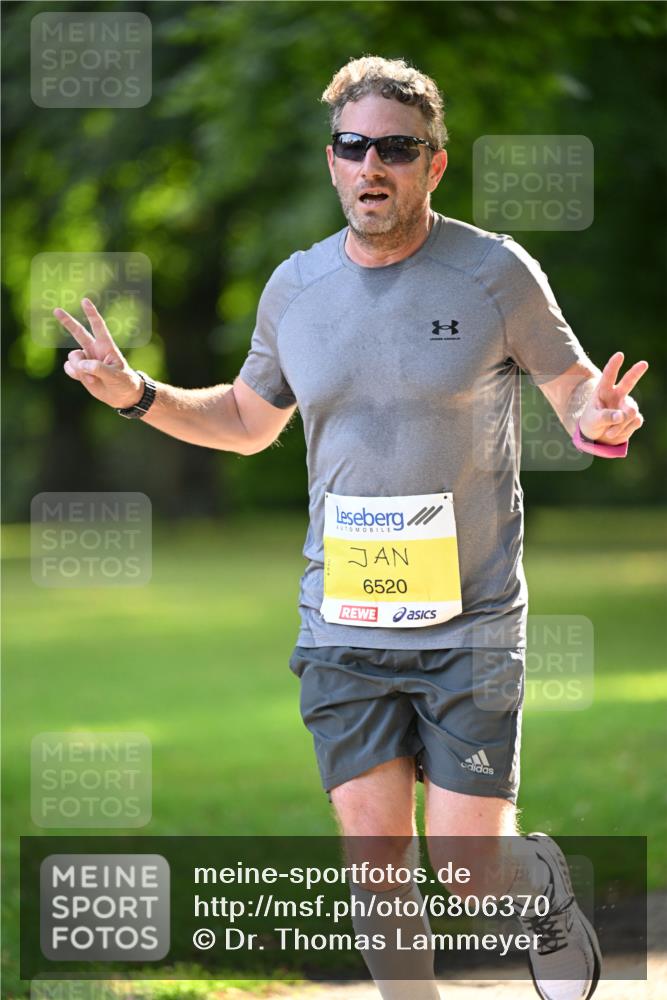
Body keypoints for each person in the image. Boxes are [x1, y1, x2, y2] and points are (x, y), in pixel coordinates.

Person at [55, 56, 647, 1000]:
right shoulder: (295, 288)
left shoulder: (494, 272)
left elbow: (574, 387)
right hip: (343, 621)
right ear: (332, 160)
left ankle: (534, 885)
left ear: (433, 165)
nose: (373, 166)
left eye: (397, 149)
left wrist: (598, 416)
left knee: (465, 874)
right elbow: (249, 421)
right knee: (374, 860)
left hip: (471, 620)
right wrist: (137, 395)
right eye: (353, 146)